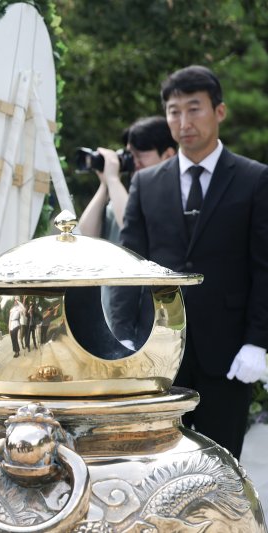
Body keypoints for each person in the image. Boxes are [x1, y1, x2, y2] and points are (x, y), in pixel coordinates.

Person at [109, 65, 268, 459]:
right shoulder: (146, 183)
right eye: (174, 111)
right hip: (157, 350)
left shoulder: (254, 179)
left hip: (228, 353)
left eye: (194, 109)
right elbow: (130, 263)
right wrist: (122, 334)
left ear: (219, 111)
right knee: (154, 466)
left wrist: (257, 342)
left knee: (220, 466)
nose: (184, 122)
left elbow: (263, 266)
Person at [77, 116, 177, 241]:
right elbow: (84, 238)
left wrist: (113, 180)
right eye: (130, 154)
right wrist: (105, 185)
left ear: (168, 156)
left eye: (140, 155)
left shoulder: (177, 198)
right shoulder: (122, 201)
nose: (134, 162)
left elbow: (133, 228)